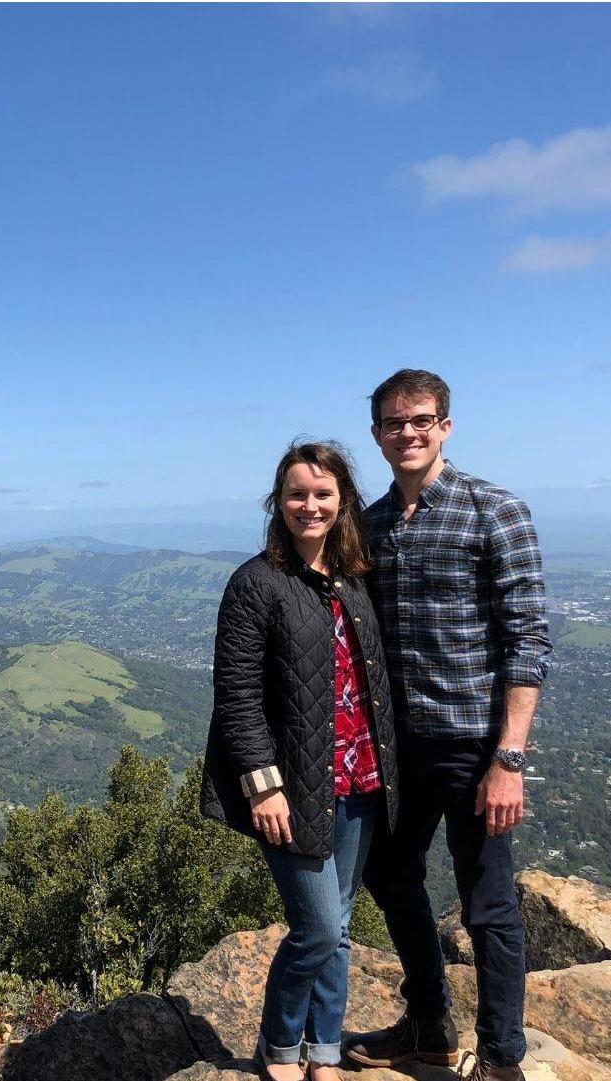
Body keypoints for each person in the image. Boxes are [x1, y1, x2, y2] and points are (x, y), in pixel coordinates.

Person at [344, 370, 552, 1081]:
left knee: (486, 903)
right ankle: (427, 1023)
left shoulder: (492, 509)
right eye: (394, 422)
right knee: (387, 871)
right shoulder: (367, 523)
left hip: (473, 746)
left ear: (446, 426)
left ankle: (500, 1060)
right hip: (395, 749)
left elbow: (528, 638)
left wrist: (509, 757)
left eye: (421, 420)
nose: (408, 432)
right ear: (376, 433)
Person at [200, 441, 399, 1081]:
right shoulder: (257, 584)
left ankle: (327, 1049)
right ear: (277, 503)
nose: (308, 506)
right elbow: (236, 696)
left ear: (341, 502)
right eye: (296, 494)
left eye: (322, 494)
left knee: (338, 928)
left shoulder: (354, 579)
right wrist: (263, 788)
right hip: (295, 787)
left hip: (361, 777)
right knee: (315, 929)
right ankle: (281, 1045)